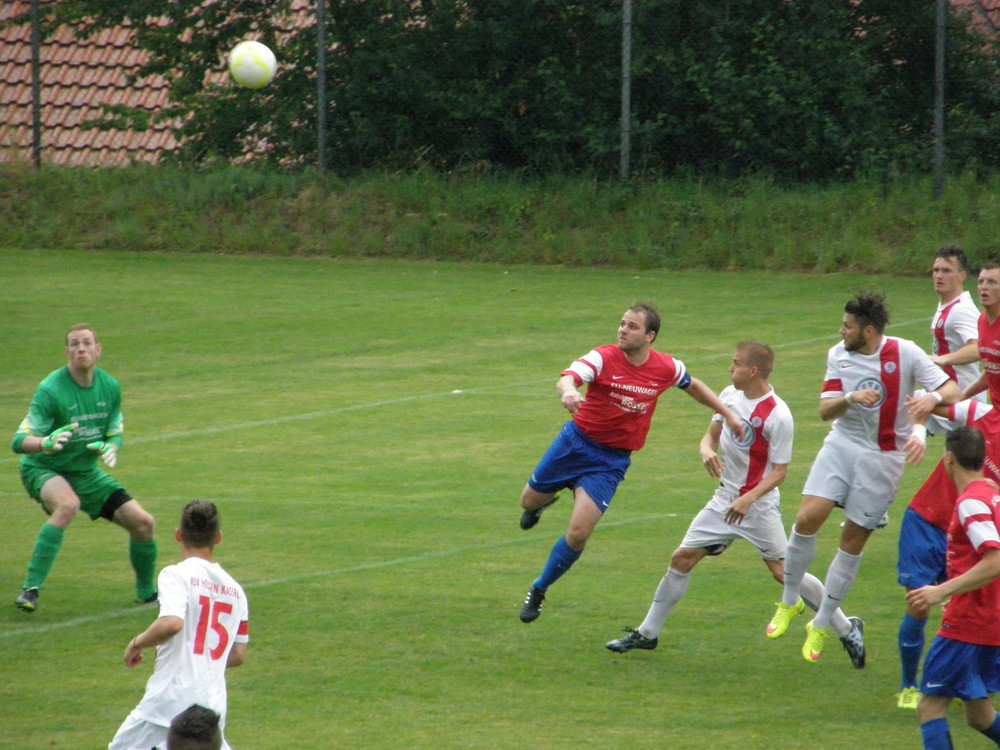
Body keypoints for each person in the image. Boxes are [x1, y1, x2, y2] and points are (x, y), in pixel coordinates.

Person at [603, 341, 866, 668]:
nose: (730, 368)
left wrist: (749, 498)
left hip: (758, 507)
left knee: (785, 572)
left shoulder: (779, 415)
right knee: (682, 558)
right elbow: (710, 436)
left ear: (752, 371)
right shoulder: (728, 395)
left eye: (736, 363)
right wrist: (706, 449)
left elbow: (780, 472)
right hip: (725, 500)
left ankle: (846, 628)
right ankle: (647, 633)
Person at [517, 302, 745, 624]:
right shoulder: (603, 357)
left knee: (579, 533)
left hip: (610, 462)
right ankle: (539, 505)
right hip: (573, 445)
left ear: (650, 336)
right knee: (527, 501)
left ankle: (539, 588)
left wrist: (727, 413)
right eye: (622, 324)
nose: (623, 330)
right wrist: (568, 392)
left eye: (632, 326)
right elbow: (569, 378)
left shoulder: (665, 367)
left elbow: (693, 386)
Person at [765, 291, 959, 664]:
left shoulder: (905, 352)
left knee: (851, 541)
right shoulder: (838, 355)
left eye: (848, 327)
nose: (841, 332)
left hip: (884, 459)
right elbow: (825, 411)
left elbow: (950, 389)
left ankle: (822, 623)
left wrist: (931, 400)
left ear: (868, 331)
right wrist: (851, 397)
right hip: (842, 444)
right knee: (806, 518)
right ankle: (789, 602)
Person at [10, 324, 157, 612]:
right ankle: (30, 589)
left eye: (87, 343)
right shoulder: (51, 389)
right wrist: (45, 443)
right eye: (75, 344)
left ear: (97, 350)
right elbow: (18, 441)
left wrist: (111, 447)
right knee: (68, 505)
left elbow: (114, 430)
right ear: (67, 352)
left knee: (143, 523)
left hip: (85, 473)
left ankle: (147, 592)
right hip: (42, 467)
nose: (81, 349)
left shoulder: (110, 387)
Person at [109, 500, 249, 750]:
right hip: (211, 708)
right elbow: (238, 654)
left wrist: (136, 643)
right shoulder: (236, 591)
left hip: (169, 701)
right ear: (217, 538)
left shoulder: (175, 575)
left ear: (178, 535)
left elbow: (171, 623)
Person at [896, 396, 1000, 709]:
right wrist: (929, 407)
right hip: (927, 521)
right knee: (918, 603)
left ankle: (964, 686)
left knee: (967, 609)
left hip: (973, 536)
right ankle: (909, 686)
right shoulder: (980, 413)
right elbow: (920, 405)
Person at [923, 246, 984, 433]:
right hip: (946, 394)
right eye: (936, 270)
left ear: (962, 276)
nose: (939, 276)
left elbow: (979, 348)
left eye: (946, 271)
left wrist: (943, 359)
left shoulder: (961, 310)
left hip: (962, 402)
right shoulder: (947, 305)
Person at [961, 262, 1000, 404]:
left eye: (991, 282)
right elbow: (991, 370)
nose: (984, 286)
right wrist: (961, 396)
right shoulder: (982, 320)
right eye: (981, 281)